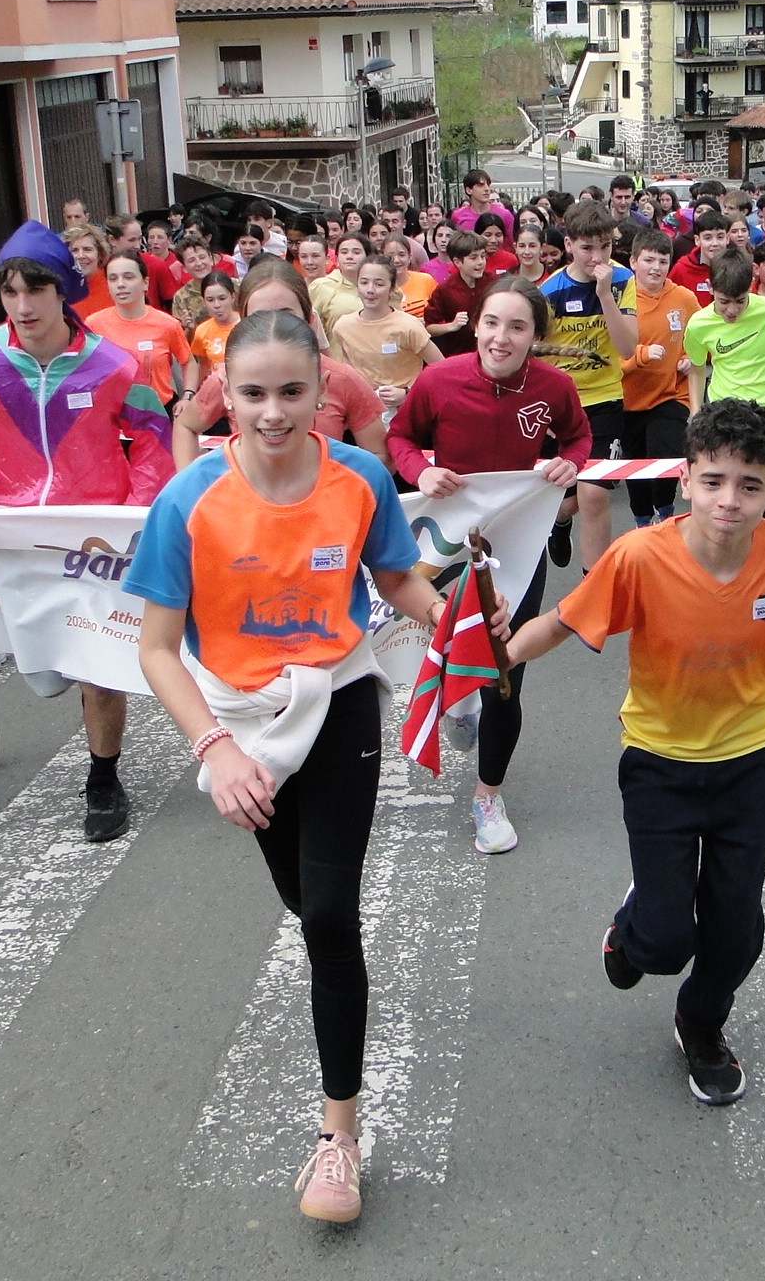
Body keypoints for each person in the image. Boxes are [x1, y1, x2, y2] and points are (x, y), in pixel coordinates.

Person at [129, 310, 451, 1225]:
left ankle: (338, 1135)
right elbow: (156, 649)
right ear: (224, 398)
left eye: (292, 392)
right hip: (236, 718)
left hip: (337, 694)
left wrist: (453, 619)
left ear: (323, 393)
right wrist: (215, 748)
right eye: (253, 393)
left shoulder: (359, 479)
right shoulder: (186, 500)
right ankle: (335, 983)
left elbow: (396, 578)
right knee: (307, 903)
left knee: (331, 917)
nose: (273, 412)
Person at [509, 398, 765, 1107]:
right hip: (660, 764)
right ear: (686, 480)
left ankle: (700, 1024)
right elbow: (562, 623)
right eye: (714, 481)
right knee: (664, 943)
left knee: (737, 935)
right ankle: (632, 929)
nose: (729, 500)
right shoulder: (640, 555)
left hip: (753, 761)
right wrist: (494, 658)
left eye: (749, 485)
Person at [0, 222, 173, 842]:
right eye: (10, 292)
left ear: (64, 291)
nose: (22, 307)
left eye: (36, 291)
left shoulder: (114, 364)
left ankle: (104, 778)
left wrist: (136, 518)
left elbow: (152, 439)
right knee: (45, 677)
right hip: (16, 536)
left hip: (95, 539)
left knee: (100, 663)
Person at [388, 277, 590, 854]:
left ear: (535, 336)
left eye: (517, 327)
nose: (502, 338)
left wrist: (570, 464)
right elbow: (401, 437)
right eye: (492, 323)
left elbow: (578, 438)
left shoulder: (553, 386)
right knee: (451, 640)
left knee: (506, 670)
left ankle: (488, 795)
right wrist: (421, 471)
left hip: (519, 546)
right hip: (450, 543)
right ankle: (459, 698)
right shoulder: (437, 380)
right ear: (475, 325)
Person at [172, 263, 389, 468]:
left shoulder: (341, 378)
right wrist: (194, 486)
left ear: (309, 320)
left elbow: (381, 456)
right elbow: (185, 426)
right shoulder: (229, 379)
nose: (274, 325)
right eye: (254, 394)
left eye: (286, 315)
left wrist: (335, 486)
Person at [682, 251, 765, 525]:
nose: (732, 310)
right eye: (723, 302)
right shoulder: (698, 324)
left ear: (751, 287)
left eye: (740, 301)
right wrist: (695, 411)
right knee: (730, 503)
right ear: (710, 288)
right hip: (725, 421)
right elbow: (696, 368)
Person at [538, 199, 638, 571]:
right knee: (564, 493)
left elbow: (627, 347)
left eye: (605, 246)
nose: (597, 257)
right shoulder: (550, 291)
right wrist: (544, 409)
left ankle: (593, 584)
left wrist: (604, 295)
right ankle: (560, 519)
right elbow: (534, 355)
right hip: (560, 404)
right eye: (587, 248)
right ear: (569, 246)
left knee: (594, 493)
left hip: (605, 399)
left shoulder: (623, 280)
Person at [620, 229, 698, 530]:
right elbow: (610, 356)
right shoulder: (620, 299)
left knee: (665, 453)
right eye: (649, 260)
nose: (656, 268)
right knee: (636, 464)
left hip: (671, 394)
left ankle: (666, 513)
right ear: (633, 262)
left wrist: (692, 357)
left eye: (663, 261)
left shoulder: (683, 298)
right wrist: (640, 355)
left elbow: (702, 336)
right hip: (629, 399)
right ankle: (642, 521)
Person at [332, 253, 443, 418]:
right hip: (364, 413)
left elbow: (440, 368)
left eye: (379, 284)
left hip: (405, 412)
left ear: (391, 288)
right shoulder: (343, 326)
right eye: (364, 282)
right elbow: (345, 370)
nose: (370, 290)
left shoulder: (408, 326)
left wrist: (407, 393)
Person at [87, 250, 191, 408]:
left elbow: (188, 361)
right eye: (113, 278)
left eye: (128, 277)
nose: (120, 284)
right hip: (112, 412)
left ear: (145, 283)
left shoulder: (167, 324)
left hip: (159, 411)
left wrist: (188, 395)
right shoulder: (93, 325)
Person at [426, 231, 492, 358]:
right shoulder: (445, 290)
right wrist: (451, 326)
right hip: (458, 355)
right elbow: (429, 327)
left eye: (483, 256)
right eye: (473, 258)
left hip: (489, 353)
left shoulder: (493, 283)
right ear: (457, 262)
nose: (480, 262)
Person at [185, 272, 239, 393]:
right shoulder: (202, 330)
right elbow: (203, 366)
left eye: (222, 298)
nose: (217, 305)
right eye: (210, 300)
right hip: (218, 391)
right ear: (203, 301)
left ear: (232, 297)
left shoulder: (246, 324)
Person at [310, 234, 368, 335]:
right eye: (344, 252)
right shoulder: (321, 286)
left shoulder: (379, 285)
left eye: (356, 252)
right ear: (337, 259)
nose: (349, 257)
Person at [669, 210, 730, 304]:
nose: (715, 243)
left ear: (727, 238)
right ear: (697, 240)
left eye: (720, 237)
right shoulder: (681, 270)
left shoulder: (737, 267)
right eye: (708, 238)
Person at [451, 169, 515, 241]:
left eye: (488, 185)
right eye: (480, 185)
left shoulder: (505, 215)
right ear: (469, 190)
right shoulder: (457, 216)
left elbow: (510, 243)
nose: (487, 189)